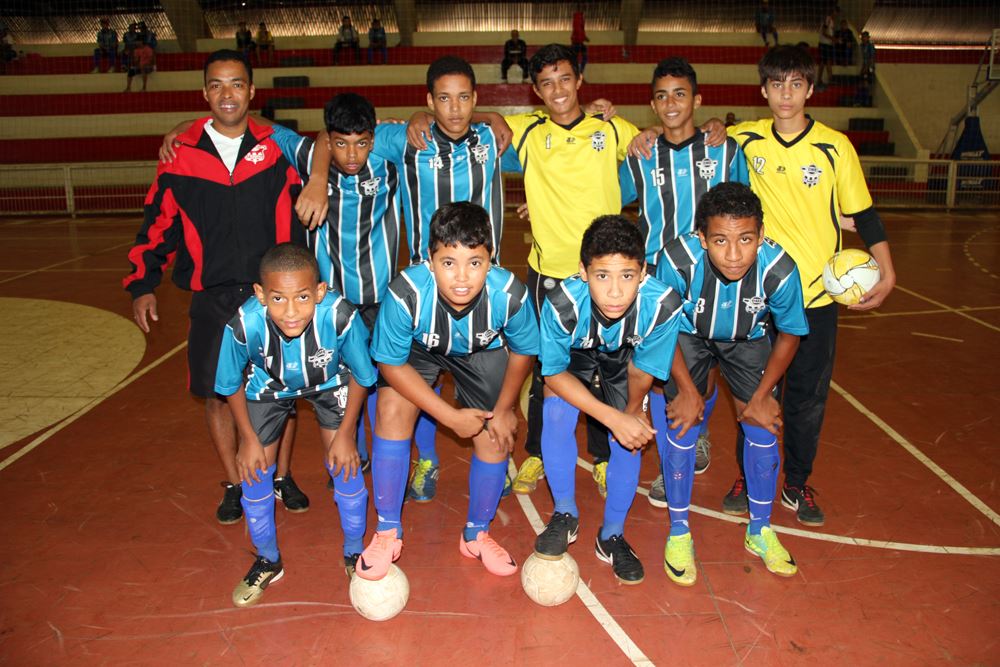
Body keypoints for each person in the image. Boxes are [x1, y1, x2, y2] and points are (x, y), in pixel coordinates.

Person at [124, 50, 308, 525]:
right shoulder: (180, 156)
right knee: (216, 394)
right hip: (212, 298)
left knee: (283, 393)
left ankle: (282, 476)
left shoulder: (278, 149)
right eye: (217, 85)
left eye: (237, 84)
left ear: (252, 91)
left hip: (272, 296)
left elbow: (330, 150)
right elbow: (156, 225)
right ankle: (235, 484)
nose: (228, 94)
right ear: (205, 93)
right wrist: (143, 284)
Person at [723, 45, 896, 525]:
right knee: (754, 394)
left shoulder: (835, 146)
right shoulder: (746, 140)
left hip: (818, 297)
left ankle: (797, 483)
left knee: (806, 397)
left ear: (810, 90)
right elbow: (697, 134)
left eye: (796, 84)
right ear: (763, 90)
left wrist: (888, 268)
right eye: (777, 85)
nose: (786, 95)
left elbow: (863, 212)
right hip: (758, 297)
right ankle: (748, 475)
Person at [358, 202, 539, 580]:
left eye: (474, 262)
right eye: (448, 262)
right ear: (429, 260)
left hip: (480, 351)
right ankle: (387, 529)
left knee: (493, 431)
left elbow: (524, 350)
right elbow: (390, 364)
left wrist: (505, 408)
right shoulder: (405, 293)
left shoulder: (509, 294)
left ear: (491, 260)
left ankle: (476, 533)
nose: (462, 277)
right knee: (390, 410)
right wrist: (449, 416)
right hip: (420, 350)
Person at [502, 44, 641, 499]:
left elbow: (652, 149)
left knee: (606, 368)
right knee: (549, 370)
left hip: (605, 276)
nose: (557, 90)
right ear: (535, 90)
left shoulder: (612, 128)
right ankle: (539, 453)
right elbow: (483, 121)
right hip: (548, 275)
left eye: (564, 79)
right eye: (546, 82)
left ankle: (602, 458)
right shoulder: (527, 132)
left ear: (579, 81)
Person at [656, 182, 807, 584]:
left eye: (746, 239)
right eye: (721, 240)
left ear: (760, 234)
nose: (735, 254)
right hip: (685, 335)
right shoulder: (676, 259)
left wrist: (760, 398)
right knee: (682, 421)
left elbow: (790, 333)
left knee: (762, 426)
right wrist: (690, 392)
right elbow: (660, 327)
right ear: (702, 237)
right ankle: (679, 530)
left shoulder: (780, 269)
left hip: (748, 338)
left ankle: (760, 530)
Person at [618, 57, 749, 506]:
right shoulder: (640, 155)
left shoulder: (725, 151)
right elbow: (602, 196)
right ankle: (672, 463)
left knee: (706, 371)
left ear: (697, 99)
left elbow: (746, 207)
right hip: (657, 281)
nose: (670, 103)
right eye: (661, 95)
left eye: (679, 94)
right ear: (652, 105)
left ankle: (699, 428)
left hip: (714, 279)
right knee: (661, 373)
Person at [216, 243, 376, 606]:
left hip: (331, 381)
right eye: (277, 299)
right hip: (268, 387)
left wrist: (347, 435)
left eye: (303, 297)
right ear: (260, 295)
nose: (291, 312)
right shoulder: (244, 324)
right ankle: (268, 559)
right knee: (255, 472)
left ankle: (354, 551)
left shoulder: (339, 317)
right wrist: (247, 439)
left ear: (320, 291)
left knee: (346, 465)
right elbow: (229, 385)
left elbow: (363, 378)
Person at [534, 215, 682, 584]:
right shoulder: (561, 303)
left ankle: (611, 534)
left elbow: (643, 369)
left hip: (627, 359)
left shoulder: (663, 304)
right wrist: (611, 417)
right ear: (583, 271)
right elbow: (553, 372)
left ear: (643, 272)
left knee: (629, 439)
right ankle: (565, 514)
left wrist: (629, 416)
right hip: (576, 356)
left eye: (627, 276)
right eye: (602, 276)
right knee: (555, 410)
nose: (615, 292)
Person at [269, 92, 401, 471]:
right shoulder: (311, 157)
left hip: (381, 300)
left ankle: (404, 462)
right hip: (331, 305)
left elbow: (429, 126)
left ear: (373, 139)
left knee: (391, 385)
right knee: (340, 385)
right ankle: (351, 458)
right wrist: (190, 125)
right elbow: (266, 129)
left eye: (361, 143)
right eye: (340, 144)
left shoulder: (387, 159)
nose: (352, 155)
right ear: (327, 140)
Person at [817, 5, 838, 88]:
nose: (836, 15)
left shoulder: (831, 21)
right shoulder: (828, 19)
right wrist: (833, 39)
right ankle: (826, 79)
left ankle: (825, 79)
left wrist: (832, 40)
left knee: (825, 62)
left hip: (827, 44)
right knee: (825, 62)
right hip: (824, 44)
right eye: (836, 13)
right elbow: (824, 32)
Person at [570, 9, 588, 74]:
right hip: (577, 43)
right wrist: (583, 38)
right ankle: (579, 72)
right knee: (583, 58)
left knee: (577, 58)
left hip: (577, 43)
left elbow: (580, 30)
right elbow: (579, 30)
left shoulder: (578, 19)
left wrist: (584, 37)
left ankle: (577, 71)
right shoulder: (579, 19)